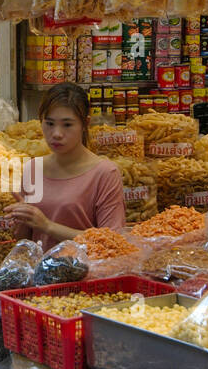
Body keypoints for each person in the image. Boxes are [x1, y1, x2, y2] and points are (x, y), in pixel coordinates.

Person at [7, 83, 125, 250]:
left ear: (85, 124)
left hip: (87, 272)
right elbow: (25, 240)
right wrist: (22, 220)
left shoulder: (105, 173)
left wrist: (48, 226)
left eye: (67, 125)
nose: (56, 133)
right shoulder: (33, 168)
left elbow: (113, 241)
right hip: (41, 272)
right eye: (49, 124)